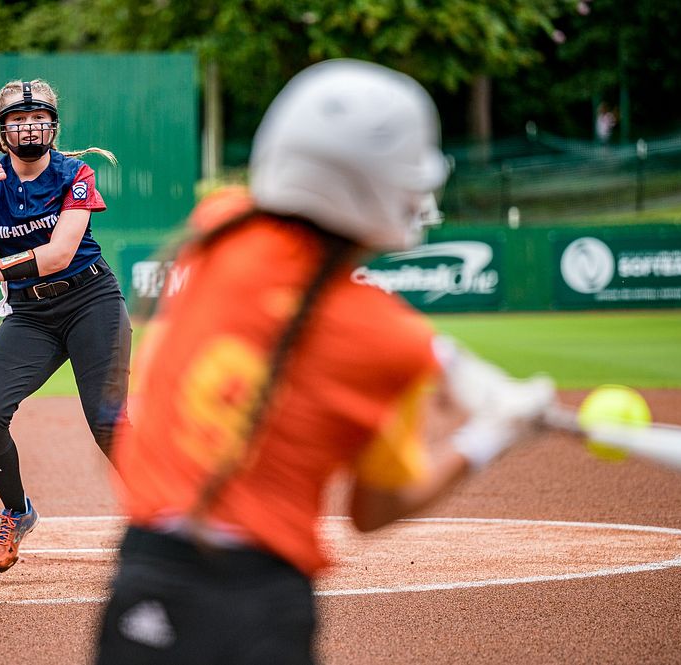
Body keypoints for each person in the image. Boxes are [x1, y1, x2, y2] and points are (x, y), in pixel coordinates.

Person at [95, 59, 555, 664]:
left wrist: (442, 361)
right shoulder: (390, 340)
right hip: (261, 607)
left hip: (144, 579)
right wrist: (488, 434)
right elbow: (373, 511)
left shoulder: (219, 228)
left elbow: (295, 299)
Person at [0, 79, 132, 573]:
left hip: (90, 301)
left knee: (108, 423)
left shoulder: (74, 174)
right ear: (1, 132)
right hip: (31, 315)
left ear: (54, 126)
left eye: (38, 117)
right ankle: (17, 513)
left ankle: (167, 518)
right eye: (17, 119)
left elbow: (60, 255)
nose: (29, 126)